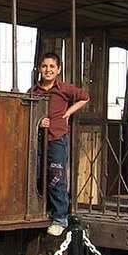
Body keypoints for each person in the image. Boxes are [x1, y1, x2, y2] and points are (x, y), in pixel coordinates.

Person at [31, 52, 89, 236]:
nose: (48, 70)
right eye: (44, 66)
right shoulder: (34, 91)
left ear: (58, 70)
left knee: (56, 177)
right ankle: (44, 209)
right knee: (39, 174)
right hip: (39, 140)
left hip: (57, 138)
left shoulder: (63, 89)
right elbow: (28, 114)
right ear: (39, 69)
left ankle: (60, 217)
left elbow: (84, 97)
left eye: (51, 67)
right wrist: (39, 122)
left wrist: (68, 113)